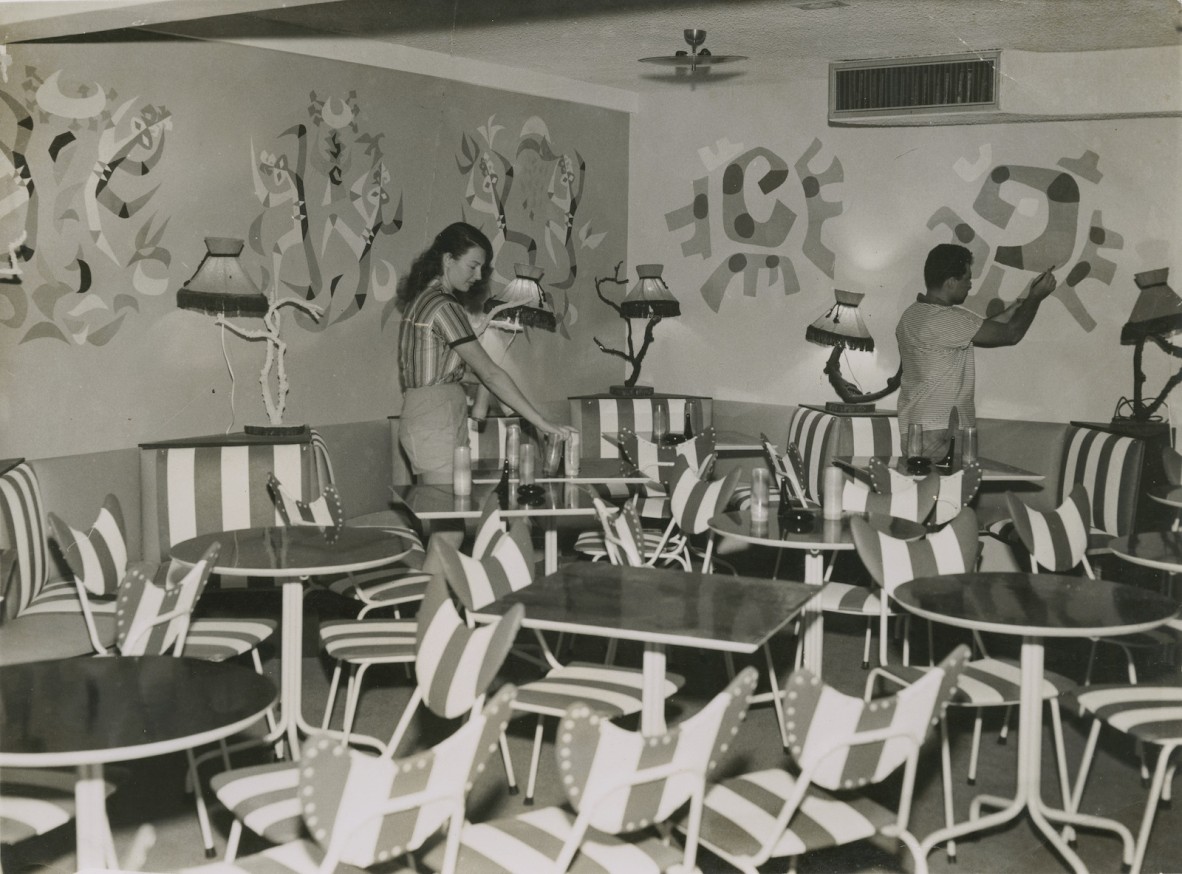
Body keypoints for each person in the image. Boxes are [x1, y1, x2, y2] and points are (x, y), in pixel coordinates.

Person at [395, 221, 576, 483]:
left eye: (482, 268)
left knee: (452, 513)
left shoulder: (428, 298)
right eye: (473, 266)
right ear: (448, 259)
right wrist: (542, 423)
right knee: (447, 514)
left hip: (436, 415)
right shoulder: (443, 306)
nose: (479, 276)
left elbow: (444, 371)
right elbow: (490, 373)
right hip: (434, 419)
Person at [896, 242, 1058, 459]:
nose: (970, 285)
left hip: (915, 429)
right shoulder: (946, 319)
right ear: (951, 282)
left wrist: (1025, 299)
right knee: (951, 491)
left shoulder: (913, 315)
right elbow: (1011, 334)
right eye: (967, 279)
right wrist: (1037, 298)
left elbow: (985, 327)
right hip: (942, 430)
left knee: (923, 491)